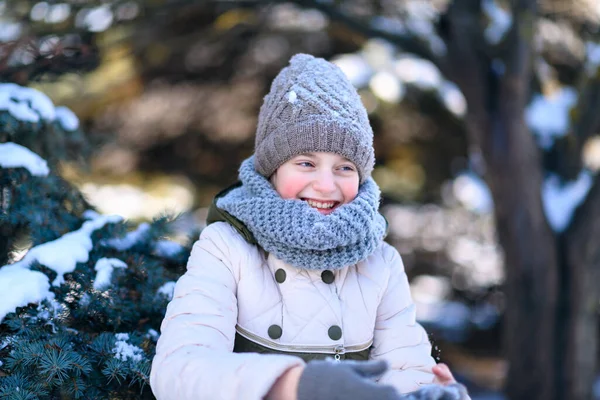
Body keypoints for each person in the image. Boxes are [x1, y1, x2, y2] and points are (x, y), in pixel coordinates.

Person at [150, 53, 469, 400]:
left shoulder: (381, 262)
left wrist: (428, 395)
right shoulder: (226, 247)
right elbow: (179, 370)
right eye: (306, 163)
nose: (326, 185)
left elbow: (407, 370)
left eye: (345, 167)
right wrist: (293, 386)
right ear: (272, 170)